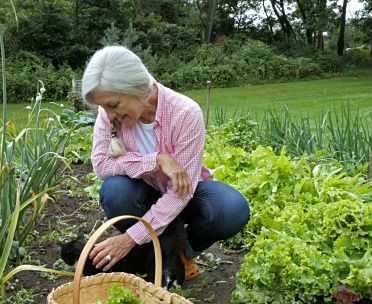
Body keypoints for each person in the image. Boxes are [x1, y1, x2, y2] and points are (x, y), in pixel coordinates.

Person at [81, 45, 250, 280]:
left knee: (231, 209)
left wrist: (129, 238)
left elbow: (179, 194)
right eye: (103, 108)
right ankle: (150, 250)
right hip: (140, 195)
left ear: (137, 88)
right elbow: (101, 165)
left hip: (185, 196)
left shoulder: (185, 113)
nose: (109, 115)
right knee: (115, 190)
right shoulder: (110, 115)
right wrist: (157, 160)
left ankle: (182, 252)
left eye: (113, 105)